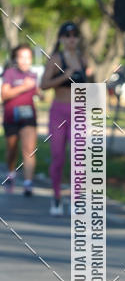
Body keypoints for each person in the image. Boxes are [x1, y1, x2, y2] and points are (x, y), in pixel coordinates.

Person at [40, 21, 90, 215]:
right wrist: (64, 76)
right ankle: (56, 197)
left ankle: (76, 198)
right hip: (58, 111)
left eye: (75, 35)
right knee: (58, 156)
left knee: (78, 158)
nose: (71, 39)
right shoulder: (56, 59)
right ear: (61, 38)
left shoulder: (83, 59)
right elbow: (43, 85)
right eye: (67, 35)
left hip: (78, 112)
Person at [2, 44, 41, 195]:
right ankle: (11, 172)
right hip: (11, 116)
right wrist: (24, 87)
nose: (25, 61)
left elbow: (36, 90)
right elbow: (4, 95)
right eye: (21, 57)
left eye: (28, 57)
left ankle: (28, 182)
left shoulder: (33, 75)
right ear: (16, 59)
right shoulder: (10, 74)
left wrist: (39, 93)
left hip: (28, 116)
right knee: (12, 148)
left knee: (29, 149)